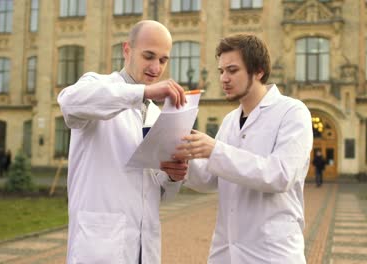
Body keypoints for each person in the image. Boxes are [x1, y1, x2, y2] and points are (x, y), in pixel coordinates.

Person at [173, 34, 313, 263]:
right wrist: (183, 163)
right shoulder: (230, 120)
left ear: (258, 71)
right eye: (221, 71)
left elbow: (281, 175)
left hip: (271, 253)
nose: (224, 79)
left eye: (232, 70)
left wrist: (214, 150)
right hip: (225, 252)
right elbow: (210, 179)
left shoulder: (292, 112)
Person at [57, 20, 189, 264]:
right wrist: (143, 92)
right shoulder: (97, 85)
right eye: (148, 56)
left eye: (163, 60)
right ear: (126, 50)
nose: (155, 67)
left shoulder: (155, 115)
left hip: (143, 249)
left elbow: (157, 194)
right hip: (100, 247)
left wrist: (171, 177)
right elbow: (68, 102)